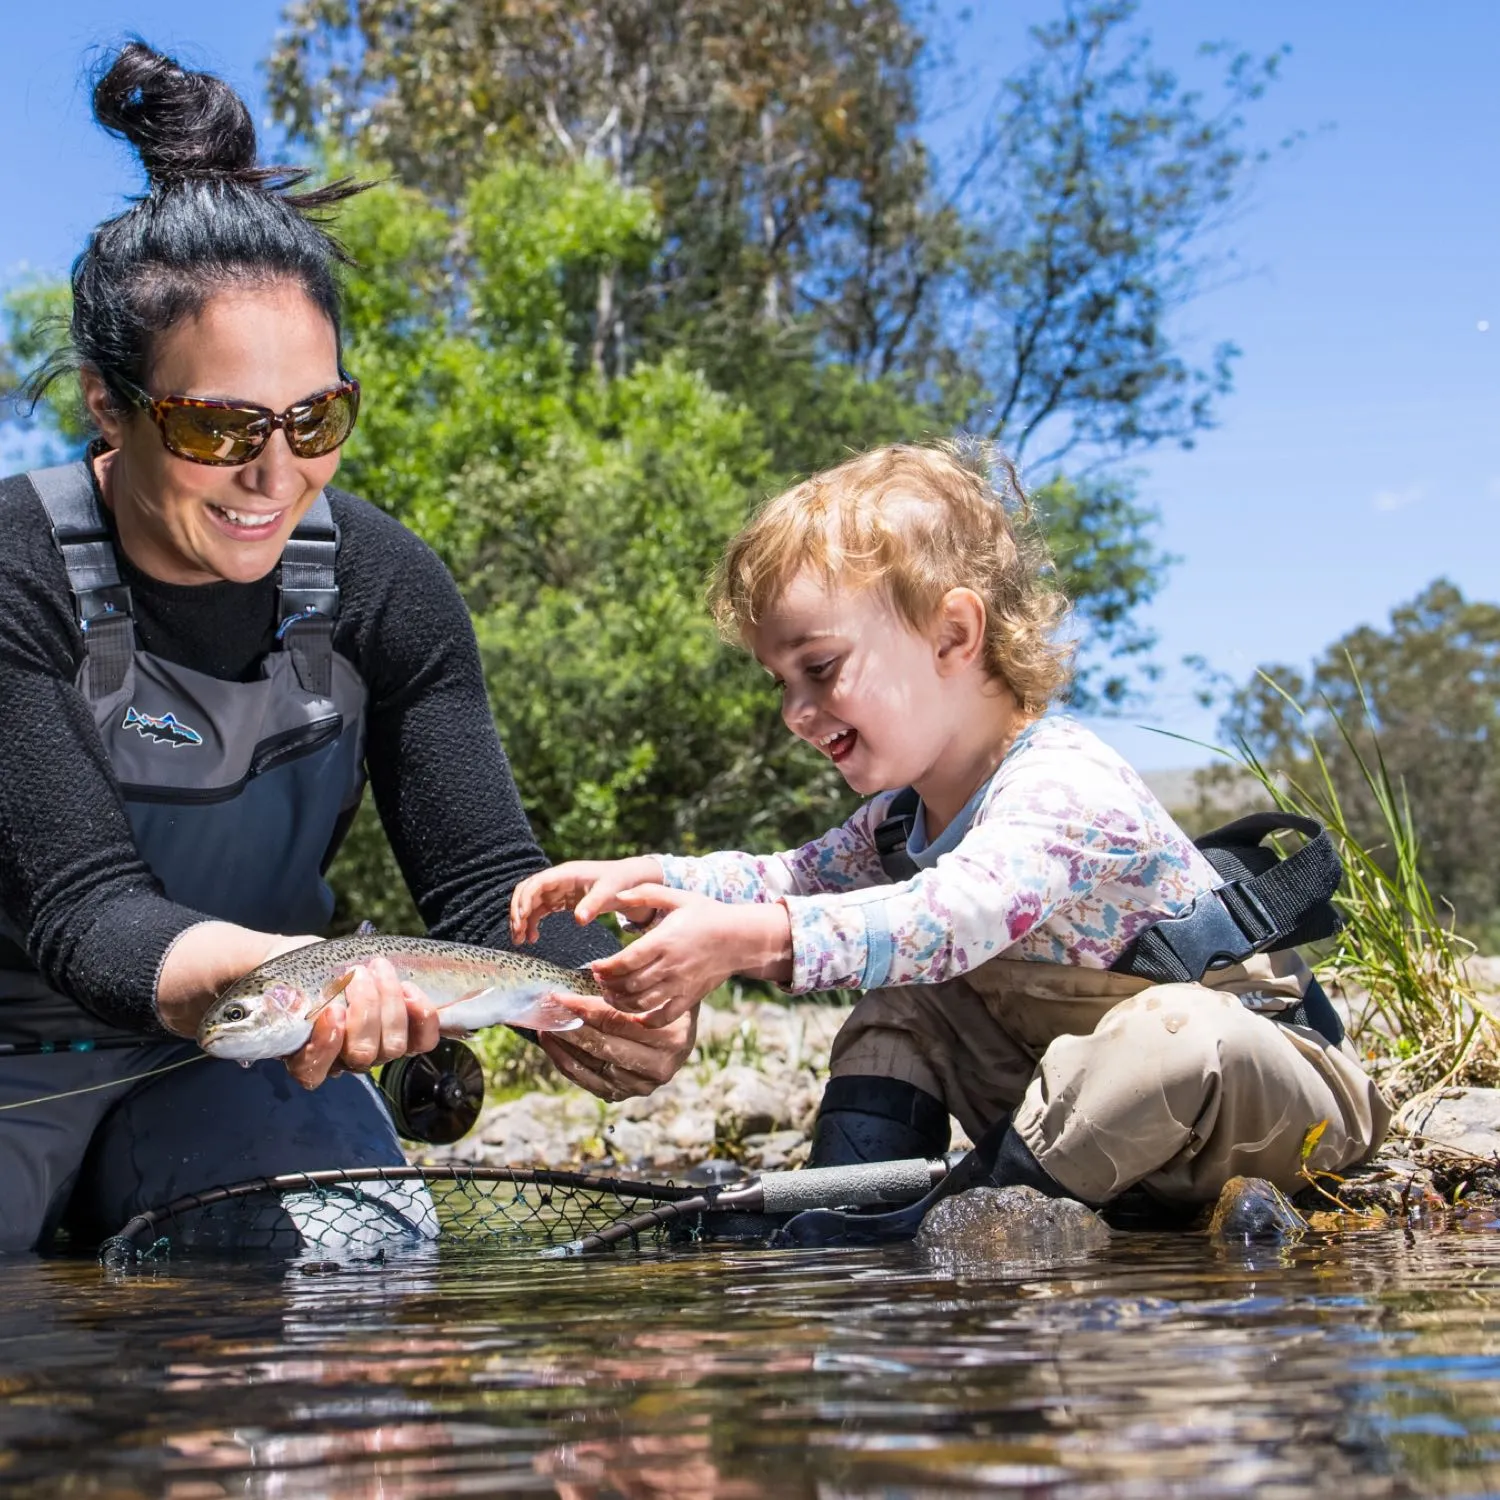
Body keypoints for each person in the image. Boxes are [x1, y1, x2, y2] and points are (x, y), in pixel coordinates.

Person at [0, 43, 691, 1256]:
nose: (277, 476)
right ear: (108, 405)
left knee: (349, 1273)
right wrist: (319, 973)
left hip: (248, 1063)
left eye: (316, 418)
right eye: (219, 425)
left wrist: (608, 993)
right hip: (25, 1050)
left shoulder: (383, 585)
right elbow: (84, 912)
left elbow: (483, 886)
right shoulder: (16, 569)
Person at [512, 442, 1392, 1210]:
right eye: (781, 682)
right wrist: (650, 877)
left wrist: (745, 943)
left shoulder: (1063, 785)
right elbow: (791, 878)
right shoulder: (899, 820)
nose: (794, 710)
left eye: (818, 668)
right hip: (1084, 1128)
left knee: (1171, 1035)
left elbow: (958, 914)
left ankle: (985, 1218)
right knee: (903, 1004)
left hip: (1253, 1102)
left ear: (952, 634)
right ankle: (843, 1214)